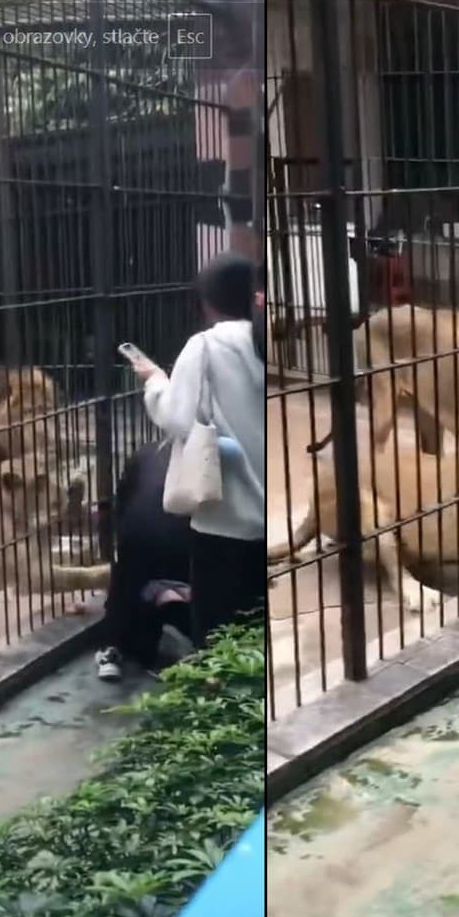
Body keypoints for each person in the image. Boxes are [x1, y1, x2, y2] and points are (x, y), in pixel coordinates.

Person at [131, 252, 267, 645]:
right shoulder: (264, 338)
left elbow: (178, 418)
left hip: (223, 518)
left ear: (206, 302)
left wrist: (156, 381)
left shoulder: (205, 346)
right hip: (267, 518)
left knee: (218, 631)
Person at [94, 442, 195, 681]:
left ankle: (114, 647)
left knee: (127, 576)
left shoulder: (147, 452)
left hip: (136, 546)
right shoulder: (215, 453)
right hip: (184, 552)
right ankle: (187, 635)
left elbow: (121, 507)